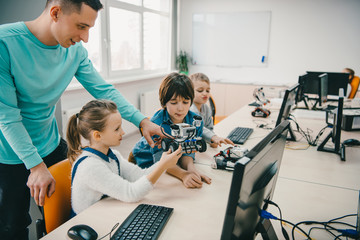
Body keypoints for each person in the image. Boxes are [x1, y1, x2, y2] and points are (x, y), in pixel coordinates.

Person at [0, 1, 164, 239]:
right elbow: (7, 118)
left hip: (49, 143)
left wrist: (142, 121)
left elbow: (104, 90)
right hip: (10, 153)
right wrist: (35, 166)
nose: (85, 38)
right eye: (81, 26)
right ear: (55, 13)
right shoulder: (5, 43)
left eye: (89, 29)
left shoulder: (74, 51)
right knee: (12, 225)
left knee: (74, 207)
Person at [67, 99, 182, 215]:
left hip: (104, 213)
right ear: (97, 135)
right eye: (117, 129)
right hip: (87, 223)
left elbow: (140, 175)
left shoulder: (112, 156)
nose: (123, 132)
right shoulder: (90, 167)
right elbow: (131, 193)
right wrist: (162, 166)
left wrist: (164, 162)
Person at [131, 72, 212, 188]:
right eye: (174, 103)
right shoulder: (157, 124)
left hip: (171, 160)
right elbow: (161, 162)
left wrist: (191, 169)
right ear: (164, 103)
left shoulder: (194, 120)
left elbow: (187, 149)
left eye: (185, 102)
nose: (180, 108)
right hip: (143, 160)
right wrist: (183, 175)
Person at [189, 73, 234, 148]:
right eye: (200, 91)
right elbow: (199, 128)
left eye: (207, 90)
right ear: (190, 92)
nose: (205, 93)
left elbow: (209, 127)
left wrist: (212, 141)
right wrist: (213, 137)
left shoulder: (206, 108)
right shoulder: (190, 109)